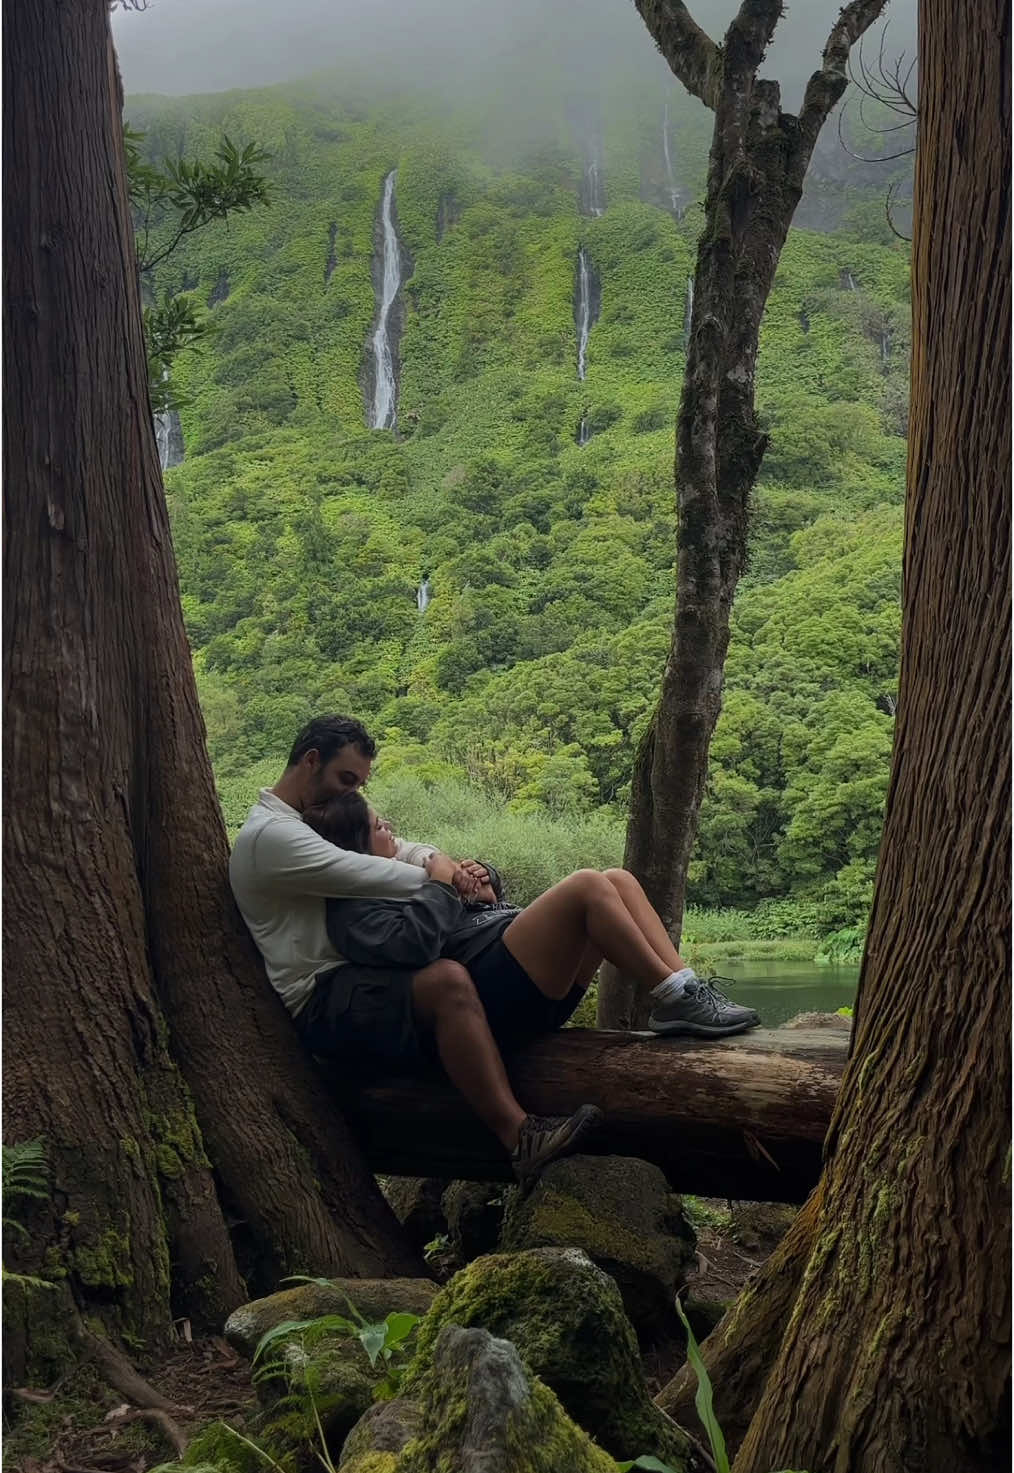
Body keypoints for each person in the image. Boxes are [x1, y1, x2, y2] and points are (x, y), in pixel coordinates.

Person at [229, 714, 603, 1182]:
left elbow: (405, 849)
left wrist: (438, 863)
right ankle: (519, 1137)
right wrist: (449, 879)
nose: (350, 794)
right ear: (310, 761)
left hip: (359, 972)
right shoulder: (274, 836)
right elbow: (379, 872)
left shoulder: (301, 819)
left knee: (451, 969)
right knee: (446, 979)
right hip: (321, 996)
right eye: (346, 780)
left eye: (359, 784)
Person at [302, 790, 760, 1058]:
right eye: (381, 827)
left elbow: (462, 916)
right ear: (356, 845)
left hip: (512, 974)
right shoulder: (352, 904)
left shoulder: (399, 872)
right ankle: (673, 997)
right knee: (586, 885)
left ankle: (685, 988)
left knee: (616, 879)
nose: (392, 831)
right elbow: (414, 947)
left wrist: (484, 887)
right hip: (495, 999)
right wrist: (442, 887)